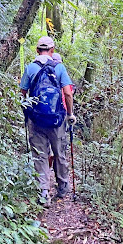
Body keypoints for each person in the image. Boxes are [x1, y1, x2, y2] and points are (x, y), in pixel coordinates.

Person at [20, 36, 76, 206]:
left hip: (36, 120)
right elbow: (67, 93)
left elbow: (22, 92)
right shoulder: (59, 67)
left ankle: (44, 192)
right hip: (57, 119)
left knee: (40, 155)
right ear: (52, 50)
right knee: (59, 152)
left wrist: (27, 112)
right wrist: (70, 114)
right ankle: (62, 186)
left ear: (37, 50)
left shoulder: (30, 68)